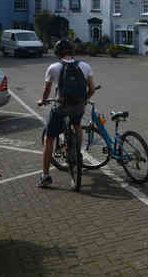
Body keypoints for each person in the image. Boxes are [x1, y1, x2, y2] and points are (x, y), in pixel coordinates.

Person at [37, 39, 96, 187]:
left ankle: (45, 176)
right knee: (77, 126)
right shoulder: (85, 65)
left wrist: (43, 100)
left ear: (57, 53)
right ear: (72, 51)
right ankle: (77, 152)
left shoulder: (53, 67)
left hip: (61, 107)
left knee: (49, 138)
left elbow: (47, 90)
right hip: (78, 106)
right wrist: (84, 100)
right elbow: (92, 89)